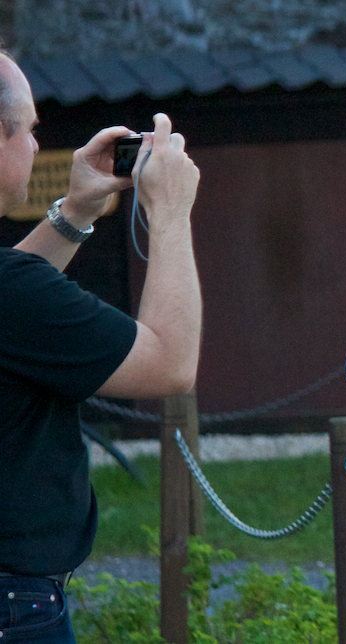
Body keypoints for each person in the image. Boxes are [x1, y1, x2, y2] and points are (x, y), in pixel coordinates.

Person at [0, 48, 201, 643]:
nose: (37, 145)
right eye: (28, 129)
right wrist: (171, 212)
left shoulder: (12, 292)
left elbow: (15, 304)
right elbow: (170, 365)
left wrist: (77, 210)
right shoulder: (13, 292)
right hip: (15, 605)